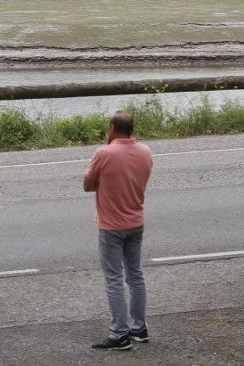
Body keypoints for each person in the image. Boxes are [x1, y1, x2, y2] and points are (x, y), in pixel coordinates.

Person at [82, 110, 153, 351]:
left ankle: (119, 333)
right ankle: (139, 327)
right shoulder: (145, 151)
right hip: (136, 222)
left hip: (111, 226)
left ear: (112, 128)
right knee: (135, 275)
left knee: (114, 280)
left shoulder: (104, 153)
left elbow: (87, 185)